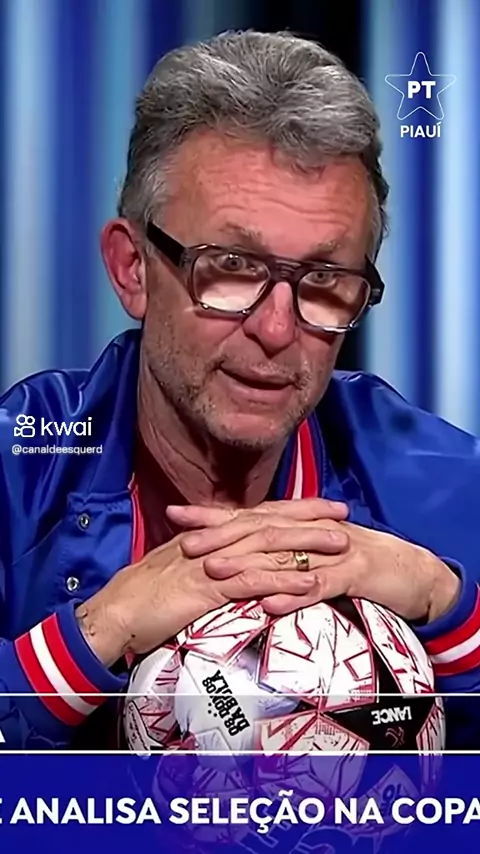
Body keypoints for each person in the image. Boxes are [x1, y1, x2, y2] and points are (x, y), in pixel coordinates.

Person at [0, 29, 479, 750]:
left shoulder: (447, 488)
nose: (278, 329)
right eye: (230, 267)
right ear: (133, 268)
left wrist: (451, 610)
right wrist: (100, 631)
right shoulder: (19, 466)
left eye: (325, 280)